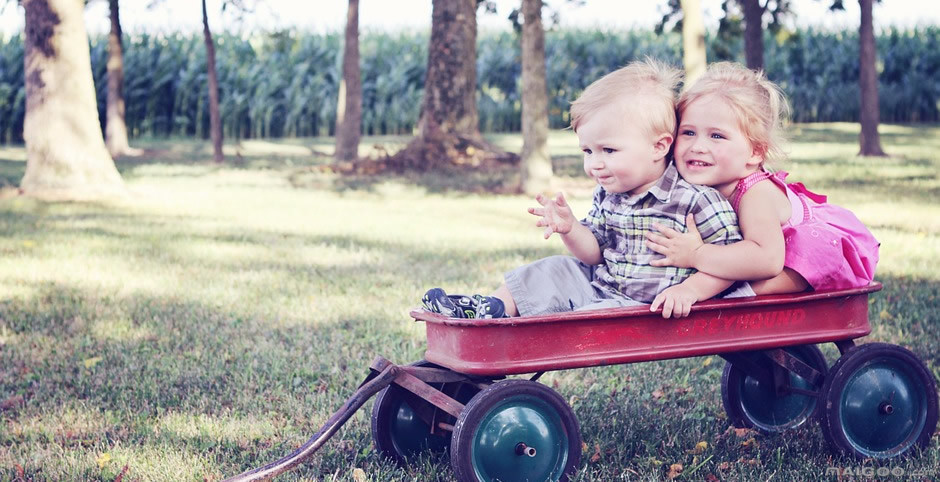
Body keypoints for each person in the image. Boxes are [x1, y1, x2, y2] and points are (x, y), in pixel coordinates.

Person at [422, 58, 751, 320]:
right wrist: (571, 229)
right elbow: (593, 253)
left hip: (644, 309)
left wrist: (690, 290)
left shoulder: (695, 199)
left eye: (608, 151)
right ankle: (491, 308)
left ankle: (521, 330)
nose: (595, 164)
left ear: (658, 146)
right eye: (587, 151)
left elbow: (730, 264)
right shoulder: (609, 193)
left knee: (584, 320)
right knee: (553, 268)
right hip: (602, 287)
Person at [645, 62, 879, 294]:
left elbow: (766, 259)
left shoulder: (756, 195)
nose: (698, 146)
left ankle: (739, 295)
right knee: (725, 271)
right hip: (766, 252)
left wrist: (696, 255)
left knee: (750, 281)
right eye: (688, 132)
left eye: (716, 136)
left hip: (811, 255)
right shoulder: (696, 182)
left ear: (755, 152)